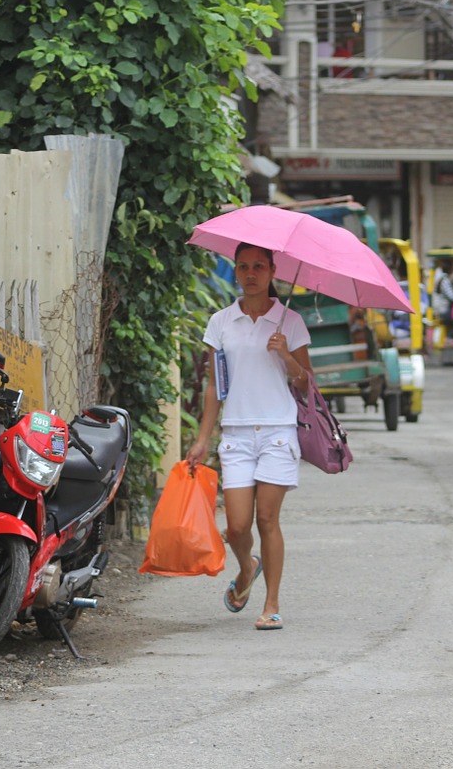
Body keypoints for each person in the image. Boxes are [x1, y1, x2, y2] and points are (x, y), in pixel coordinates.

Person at [186, 243, 313, 632]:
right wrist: (203, 437)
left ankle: (271, 604)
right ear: (236, 272)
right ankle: (247, 568)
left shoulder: (290, 322)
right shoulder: (221, 322)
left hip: (277, 431)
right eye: (243, 267)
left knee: (267, 519)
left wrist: (286, 355)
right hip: (236, 434)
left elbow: (306, 386)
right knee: (237, 527)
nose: (251, 273)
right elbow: (214, 386)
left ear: (273, 271)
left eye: (259, 266)